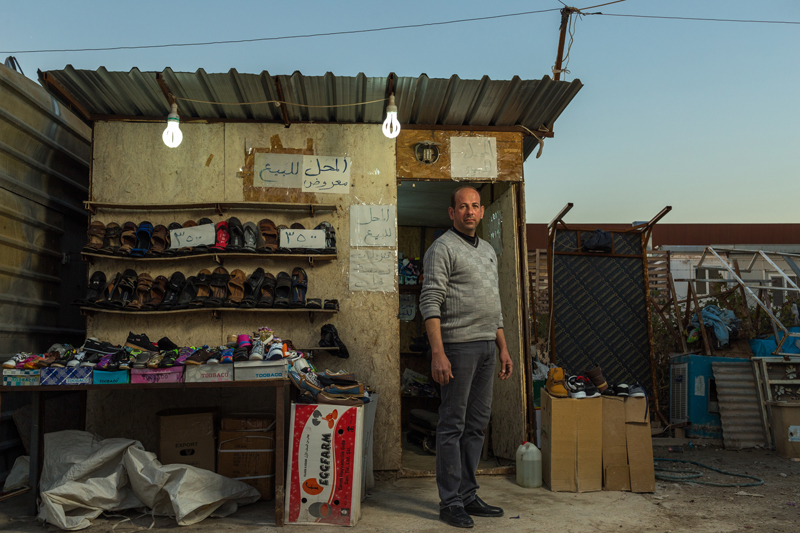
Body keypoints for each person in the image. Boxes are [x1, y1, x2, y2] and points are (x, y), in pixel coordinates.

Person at [419, 184, 513, 529]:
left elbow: (495, 306)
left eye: (475, 206)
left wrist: (502, 346)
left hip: (488, 347)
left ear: (482, 212)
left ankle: (469, 493)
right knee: (452, 425)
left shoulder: (488, 250)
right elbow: (429, 302)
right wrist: (438, 354)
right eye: (462, 206)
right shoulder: (441, 248)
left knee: (476, 425)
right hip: (457, 348)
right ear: (452, 212)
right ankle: (451, 501)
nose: (469, 211)